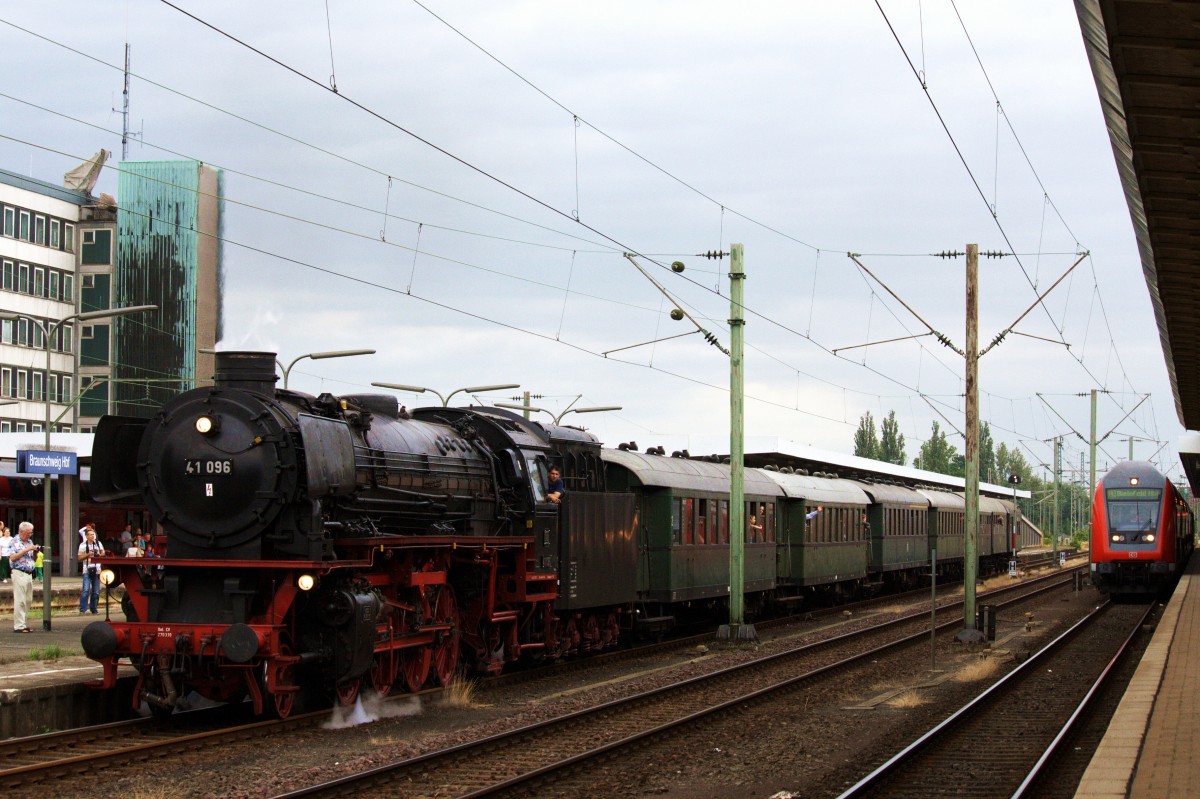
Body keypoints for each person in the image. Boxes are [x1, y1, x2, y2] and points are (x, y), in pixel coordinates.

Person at [5, 522, 38, 633]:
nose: (30, 535)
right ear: (21, 531)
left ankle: (23, 623)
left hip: (29, 573)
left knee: (28, 599)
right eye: (28, 533)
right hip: (19, 572)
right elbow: (13, 557)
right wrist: (26, 550)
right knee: (20, 600)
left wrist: (34, 551)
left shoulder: (29, 541)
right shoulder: (14, 542)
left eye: (31, 533)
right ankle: (18, 626)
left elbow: (30, 557)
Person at [78, 528, 105, 615]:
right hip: (87, 569)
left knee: (96, 591)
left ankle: (94, 608)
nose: (93, 536)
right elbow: (79, 558)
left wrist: (98, 555)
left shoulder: (98, 543)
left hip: (97, 569)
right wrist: (88, 554)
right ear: (86, 536)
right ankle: (83, 609)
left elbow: (103, 553)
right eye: (91, 534)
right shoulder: (82, 545)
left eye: (93, 534)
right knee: (85, 590)